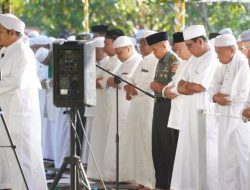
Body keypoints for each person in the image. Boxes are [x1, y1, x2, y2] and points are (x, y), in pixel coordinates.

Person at [0, 13, 47, 189]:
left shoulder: (23, 52)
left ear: (12, 32)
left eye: (0, 32)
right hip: (7, 112)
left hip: (19, 115)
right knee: (7, 156)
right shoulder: (5, 52)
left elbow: (16, 81)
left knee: (22, 156)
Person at [171, 25, 219, 190]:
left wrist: (188, 86)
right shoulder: (192, 59)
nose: (188, 50)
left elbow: (200, 87)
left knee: (205, 151)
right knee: (189, 150)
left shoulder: (213, 57)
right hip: (189, 112)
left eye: (190, 45)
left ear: (200, 41)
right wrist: (188, 86)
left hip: (205, 112)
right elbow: (179, 86)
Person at [210, 34, 250, 190]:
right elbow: (211, 88)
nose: (217, 56)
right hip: (225, 118)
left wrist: (222, 97)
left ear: (231, 50)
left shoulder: (242, 65)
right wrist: (215, 97)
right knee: (226, 158)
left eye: (219, 52)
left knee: (242, 158)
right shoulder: (222, 66)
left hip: (240, 119)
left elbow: (240, 95)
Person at [102, 36, 142, 181]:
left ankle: (125, 174)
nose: (118, 56)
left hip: (127, 109)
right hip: (116, 110)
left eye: (120, 52)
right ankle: (114, 173)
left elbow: (128, 83)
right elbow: (112, 79)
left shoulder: (137, 61)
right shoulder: (122, 63)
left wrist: (116, 82)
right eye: (116, 53)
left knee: (125, 141)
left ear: (129, 48)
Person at [121, 30, 158, 189]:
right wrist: (128, 87)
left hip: (148, 107)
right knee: (138, 143)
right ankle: (142, 180)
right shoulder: (142, 60)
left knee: (147, 144)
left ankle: (150, 182)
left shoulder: (156, 60)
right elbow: (131, 79)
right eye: (140, 43)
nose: (141, 46)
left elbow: (150, 83)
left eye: (144, 43)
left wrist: (133, 88)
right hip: (137, 107)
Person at [87, 29, 123, 179]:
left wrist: (99, 81)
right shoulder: (109, 61)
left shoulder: (120, 61)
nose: (104, 48)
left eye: (107, 44)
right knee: (99, 138)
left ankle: (110, 174)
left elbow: (106, 82)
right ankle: (98, 172)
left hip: (112, 105)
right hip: (101, 104)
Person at [145, 32, 180, 190]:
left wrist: (157, 86)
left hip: (169, 106)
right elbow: (156, 84)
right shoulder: (160, 61)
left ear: (164, 46)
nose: (153, 53)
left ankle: (169, 184)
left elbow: (170, 88)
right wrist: (156, 86)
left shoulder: (173, 61)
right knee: (157, 145)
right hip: (159, 105)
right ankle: (160, 183)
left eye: (155, 49)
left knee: (167, 146)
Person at [162, 31, 192, 131]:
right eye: (176, 50)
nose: (177, 53)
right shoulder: (182, 62)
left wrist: (171, 90)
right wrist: (165, 91)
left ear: (188, 46)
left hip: (188, 114)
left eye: (179, 49)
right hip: (177, 114)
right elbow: (174, 81)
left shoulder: (195, 62)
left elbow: (185, 86)